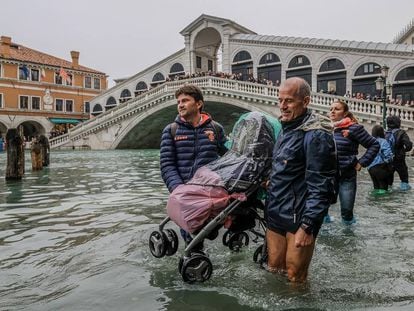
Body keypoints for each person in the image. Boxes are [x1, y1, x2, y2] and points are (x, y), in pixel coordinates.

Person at [266, 77, 337, 282]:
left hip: (299, 218)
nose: (282, 106)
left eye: (288, 101)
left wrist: (308, 225)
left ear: (305, 101)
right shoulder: (286, 128)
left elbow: (322, 185)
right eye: (280, 100)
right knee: (274, 269)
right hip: (276, 211)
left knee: (295, 276)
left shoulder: (316, 135)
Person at [160, 84, 227, 248]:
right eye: (178, 101)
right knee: (193, 244)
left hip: (210, 193)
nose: (180, 105)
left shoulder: (216, 129)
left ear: (198, 104)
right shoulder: (171, 130)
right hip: (185, 195)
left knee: (211, 232)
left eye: (185, 100)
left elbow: (228, 158)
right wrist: (178, 190)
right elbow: (167, 165)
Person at [329, 99, 379, 224]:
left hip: (347, 175)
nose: (332, 111)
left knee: (346, 212)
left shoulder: (354, 128)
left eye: (337, 109)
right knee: (322, 209)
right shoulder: (325, 128)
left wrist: (361, 162)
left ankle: (349, 235)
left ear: (345, 113)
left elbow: (374, 145)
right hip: (327, 175)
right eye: (331, 109)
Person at [385, 115, 413, 190]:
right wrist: (403, 151)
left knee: (389, 182)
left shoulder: (385, 133)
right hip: (399, 160)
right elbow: (409, 145)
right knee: (404, 179)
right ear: (398, 123)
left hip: (388, 160)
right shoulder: (401, 133)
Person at [367, 125, 394, 194]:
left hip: (370, 168)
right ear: (381, 133)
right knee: (383, 188)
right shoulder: (383, 141)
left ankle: (374, 201)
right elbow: (388, 155)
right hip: (380, 167)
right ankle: (381, 202)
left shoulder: (370, 141)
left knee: (376, 187)